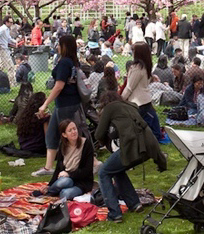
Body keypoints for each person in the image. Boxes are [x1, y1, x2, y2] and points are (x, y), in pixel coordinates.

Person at [95, 92, 167, 223]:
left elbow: (99, 133)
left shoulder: (110, 108)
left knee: (103, 172)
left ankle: (114, 213)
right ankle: (135, 204)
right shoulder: (131, 106)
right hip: (148, 148)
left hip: (133, 148)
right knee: (116, 170)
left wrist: (105, 141)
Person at [33, 34, 84, 177]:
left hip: (65, 104)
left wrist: (45, 104)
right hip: (69, 103)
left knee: (70, 136)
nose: (57, 47)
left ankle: (90, 162)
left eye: (59, 44)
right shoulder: (73, 62)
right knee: (52, 134)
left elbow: (59, 86)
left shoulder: (64, 63)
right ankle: (48, 167)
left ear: (64, 46)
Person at [34, 119, 94, 200]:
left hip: (81, 181)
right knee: (65, 182)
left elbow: (87, 170)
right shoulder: (63, 145)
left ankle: (51, 192)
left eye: (74, 129)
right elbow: (58, 168)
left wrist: (69, 174)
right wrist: (50, 185)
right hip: (66, 179)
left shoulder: (86, 144)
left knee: (65, 194)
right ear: (64, 135)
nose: (74, 132)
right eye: (70, 130)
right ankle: (50, 190)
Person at [122, 43, 162, 140]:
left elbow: (129, 87)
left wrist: (120, 99)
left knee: (144, 129)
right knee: (153, 127)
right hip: (145, 100)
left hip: (138, 103)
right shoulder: (146, 66)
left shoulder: (137, 68)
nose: (132, 52)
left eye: (134, 51)